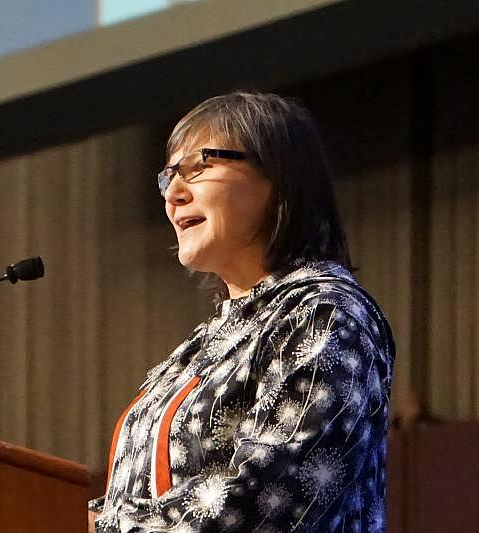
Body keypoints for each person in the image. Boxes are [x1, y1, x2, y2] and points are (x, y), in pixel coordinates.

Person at [88, 92, 395, 532]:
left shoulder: (325, 313)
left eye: (199, 166)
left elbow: (269, 499)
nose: (173, 193)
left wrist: (99, 526)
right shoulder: (203, 346)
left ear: (279, 176)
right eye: (169, 176)